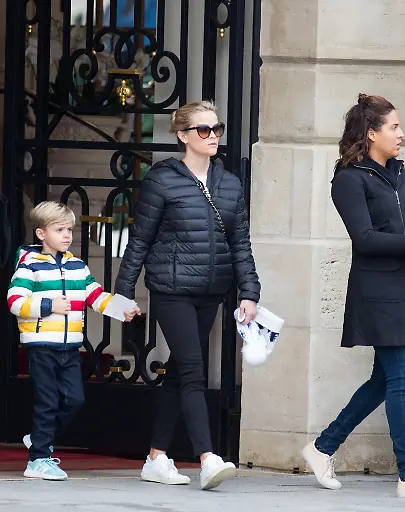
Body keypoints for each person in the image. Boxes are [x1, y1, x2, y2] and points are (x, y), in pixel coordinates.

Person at [300, 94, 405, 500]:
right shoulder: (349, 179)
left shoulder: (398, 174)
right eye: (393, 127)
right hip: (377, 293)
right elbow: (365, 239)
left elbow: (402, 230)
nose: (401, 134)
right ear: (371, 133)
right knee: (401, 377)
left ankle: (322, 448)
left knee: (382, 380)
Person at [114, 100, 260, 490]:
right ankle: (207, 458)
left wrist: (249, 291)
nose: (213, 136)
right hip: (171, 289)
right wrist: (123, 293)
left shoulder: (229, 184)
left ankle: (156, 458)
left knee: (180, 371)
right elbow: (140, 239)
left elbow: (240, 244)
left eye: (217, 129)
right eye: (203, 130)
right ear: (182, 135)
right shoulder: (162, 180)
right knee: (194, 370)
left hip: (210, 291)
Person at [8, 201, 138, 481]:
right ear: (41, 233)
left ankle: (39, 438)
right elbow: (15, 301)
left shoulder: (78, 266)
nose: (67, 235)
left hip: (70, 347)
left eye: (69, 229)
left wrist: (123, 308)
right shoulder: (29, 266)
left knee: (75, 400)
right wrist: (49, 306)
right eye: (59, 230)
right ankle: (38, 460)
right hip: (42, 346)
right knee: (47, 401)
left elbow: (96, 296)